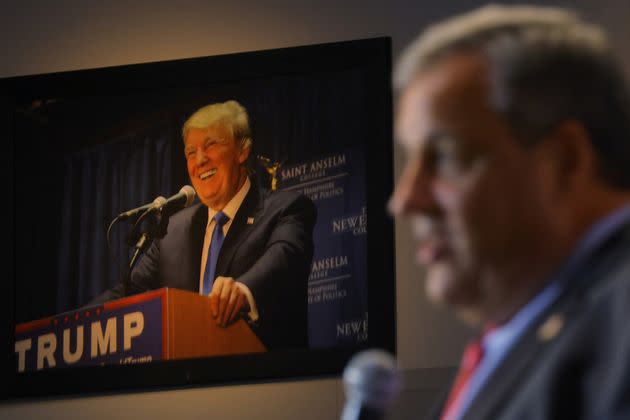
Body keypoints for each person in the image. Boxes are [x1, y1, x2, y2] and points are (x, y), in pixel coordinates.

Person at [388, 5, 630, 420]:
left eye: (443, 156)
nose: (405, 200)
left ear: (564, 160)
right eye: (411, 160)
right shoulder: (523, 333)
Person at [92, 100, 317, 349]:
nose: (199, 160)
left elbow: (283, 257)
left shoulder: (287, 208)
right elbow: (127, 291)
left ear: (242, 150)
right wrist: (72, 325)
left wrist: (242, 290)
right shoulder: (172, 232)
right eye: (190, 152)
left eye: (211, 145)